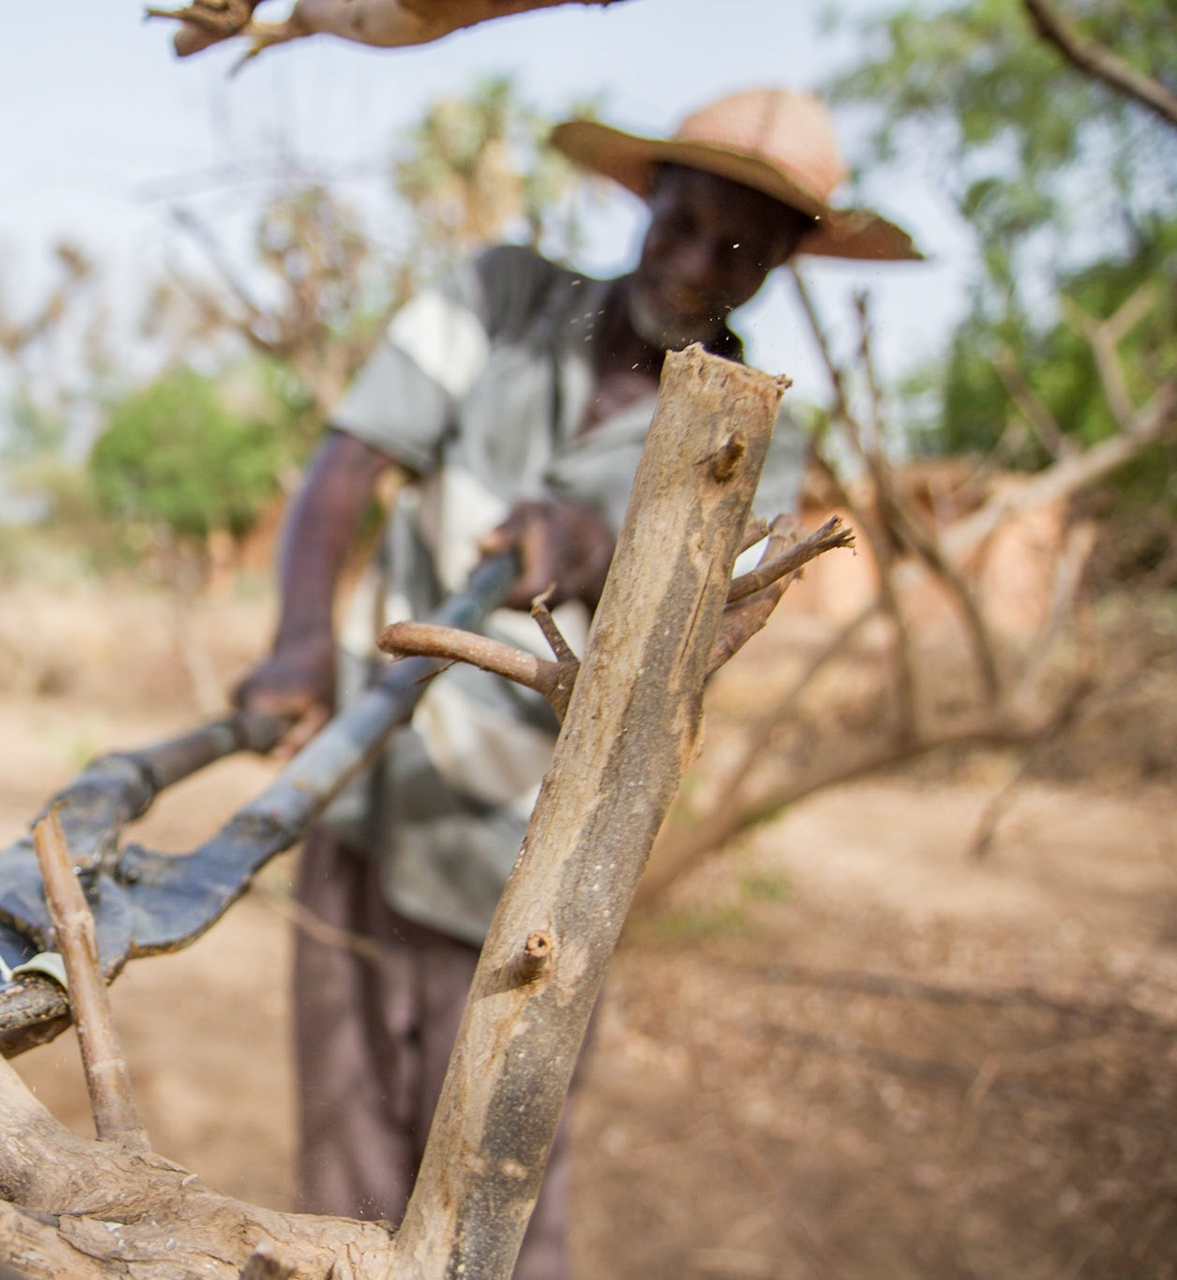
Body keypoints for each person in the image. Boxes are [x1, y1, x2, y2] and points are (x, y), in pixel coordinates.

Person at [234, 88, 921, 1280]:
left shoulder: (763, 436)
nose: (702, 262)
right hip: (361, 793)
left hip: (530, 868)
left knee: (487, 1203)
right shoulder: (501, 295)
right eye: (686, 223)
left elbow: (681, 588)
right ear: (647, 200)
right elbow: (349, 462)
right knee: (340, 1191)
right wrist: (300, 637)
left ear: (791, 259)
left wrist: (594, 545)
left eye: (743, 247)